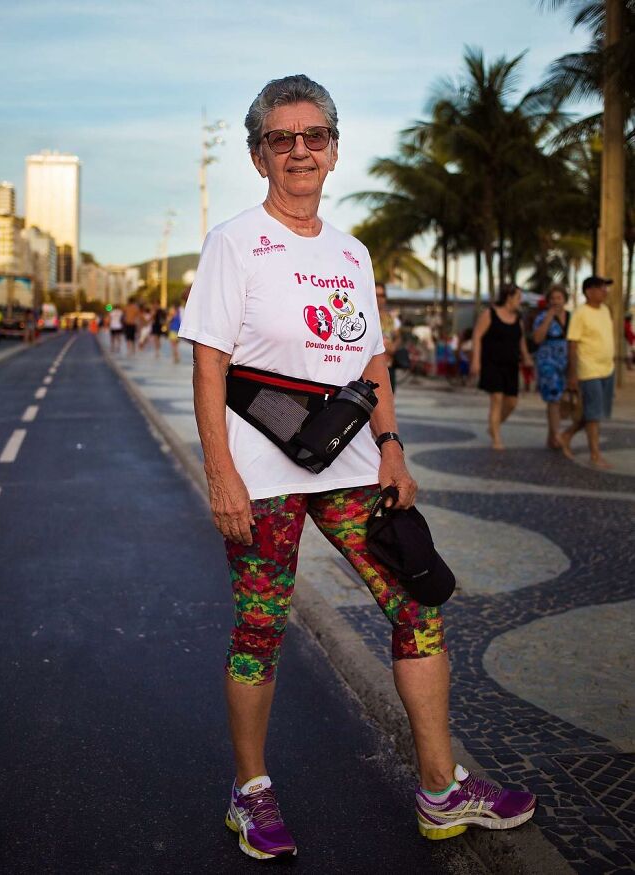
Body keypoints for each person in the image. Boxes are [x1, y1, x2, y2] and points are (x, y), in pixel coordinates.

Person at [178, 74, 536, 862]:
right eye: (282, 138)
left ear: (333, 150)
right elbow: (209, 367)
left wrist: (394, 444)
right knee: (261, 629)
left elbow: (370, 355)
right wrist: (220, 473)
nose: (299, 150)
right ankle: (251, 791)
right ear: (259, 154)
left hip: (350, 469)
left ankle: (442, 790)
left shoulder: (351, 250)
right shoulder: (233, 242)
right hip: (263, 478)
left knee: (418, 599)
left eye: (314, 136)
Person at [560, 276, 615, 468]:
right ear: (589, 291)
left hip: (607, 369)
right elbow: (572, 345)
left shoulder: (606, 311)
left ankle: (566, 435)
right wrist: (572, 374)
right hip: (588, 369)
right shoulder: (580, 313)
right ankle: (595, 454)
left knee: (594, 412)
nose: (605, 291)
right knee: (594, 415)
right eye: (601, 288)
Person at [471, 284, 533, 450]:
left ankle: (494, 425)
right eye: (518, 297)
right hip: (492, 363)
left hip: (511, 364)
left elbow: (521, 340)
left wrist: (526, 357)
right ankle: (496, 438)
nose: (520, 301)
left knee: (512, 402)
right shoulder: (490, 314)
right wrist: (475, 360)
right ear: (508, 297)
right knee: (496, 398)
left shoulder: (518, 319)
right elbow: (477, 336)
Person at [532, 284, 570, 449]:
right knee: (553, 397)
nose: (556, 301)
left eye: (559, 298)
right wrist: (548, 318)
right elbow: (537, 339)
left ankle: (551, 437)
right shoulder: (542, 318)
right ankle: (557, 436)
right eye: (552, 298)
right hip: (548, 362)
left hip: (566, 362)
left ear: (565, 300)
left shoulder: (572, 317)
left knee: (561, 400)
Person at [376, 282, 402, 392]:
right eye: (376, 294)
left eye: (381, 295)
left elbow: (398, 337)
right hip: (369, 368)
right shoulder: (363, 316)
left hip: (388, 367)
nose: (378, 298)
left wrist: (394, 347)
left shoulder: (392, 319)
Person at [167, 295, 185, 364]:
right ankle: (176, 357)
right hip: (179, 330)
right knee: (176, 346)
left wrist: (167, 326)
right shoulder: (181, 310)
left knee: (173, 345)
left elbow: (169, 320)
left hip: (173, 329)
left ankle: (175, 357)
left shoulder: (173, 311)